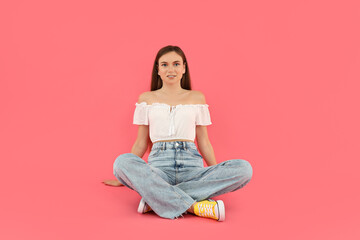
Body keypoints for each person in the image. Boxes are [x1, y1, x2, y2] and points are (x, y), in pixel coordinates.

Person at [103, 45, 253, 221]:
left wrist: (214, 171)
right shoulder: (146, 99)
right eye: (164, 65)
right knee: (121, 163)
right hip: (158, 169)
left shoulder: (197, 98)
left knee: (244, 169)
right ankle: (193, 207)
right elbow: (140, 143)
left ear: (183, 68)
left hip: (192, 168)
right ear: (157, 70)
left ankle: (157, 199)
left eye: (176, 64)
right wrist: (124, 177)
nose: (170, 69)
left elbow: (203, 141)